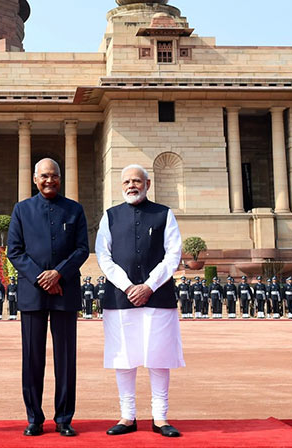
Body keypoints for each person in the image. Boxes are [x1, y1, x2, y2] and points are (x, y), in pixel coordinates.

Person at [96, 164, 184, 438]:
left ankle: (160, 417)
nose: (131, 185)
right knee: (124, 358)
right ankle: (127, 416)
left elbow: (173, 254)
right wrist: (127, 286)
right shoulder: (109, 216)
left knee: (158, 357)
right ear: (121, 186)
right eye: (126, 182)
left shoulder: (164, 214)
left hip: (157, 296)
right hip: (120, 298)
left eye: (137, 181)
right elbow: (103, 256)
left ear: (148, 184)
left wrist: (148, 285)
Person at [7, 158, 89, 438]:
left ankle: (64, 417)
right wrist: (42, 277)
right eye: (44, 176)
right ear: (34, 179)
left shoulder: (74, 210)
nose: (49, 181)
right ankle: (34, 417)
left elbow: (81, 250)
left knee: (66, 358)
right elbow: (15, 251)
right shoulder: (22, 210)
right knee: (32, 357)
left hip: (65, 291)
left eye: (53, 176)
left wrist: (58, 274)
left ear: (60, 178)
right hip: (33, 293)